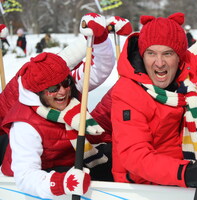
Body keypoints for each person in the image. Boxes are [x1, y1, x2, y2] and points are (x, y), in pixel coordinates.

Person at [96, 12, 197, 189]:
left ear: (179, 56)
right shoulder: (128, 91)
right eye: (151, 53)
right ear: (142, 55)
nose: (159, 63)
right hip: (145, 182)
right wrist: (184, 173)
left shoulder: (189, 67)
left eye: (167, 53)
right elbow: (135, 156)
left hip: (191, 163)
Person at [0, 13, 132, 199]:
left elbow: (98, 69)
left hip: (72, 160)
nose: (62, 91)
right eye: (53, 89)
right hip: (40, 176)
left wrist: (101, 38)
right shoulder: (24, 123)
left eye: (65, 83)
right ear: (39, 92)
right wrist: (61, 183)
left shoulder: (68, 88)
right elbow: (25, 176)